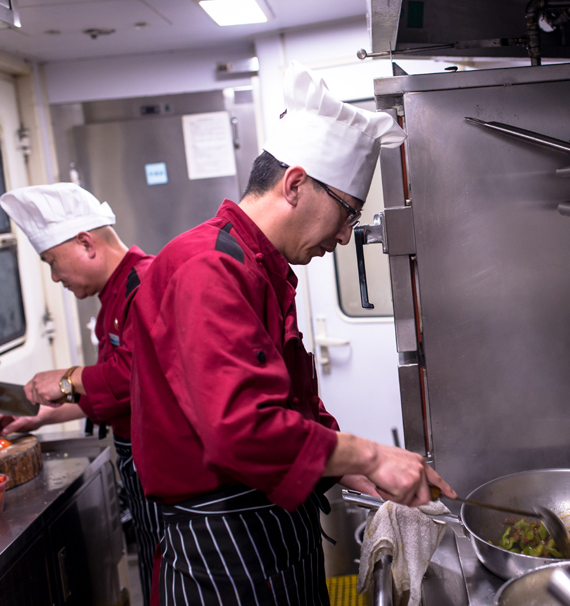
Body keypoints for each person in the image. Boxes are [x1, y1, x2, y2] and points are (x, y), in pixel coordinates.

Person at [130, 61, 455, 605]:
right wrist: (369, 456)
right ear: (296, 184)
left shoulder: (259, 266)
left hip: (263, 529)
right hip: (225, 547)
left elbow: (288, 400)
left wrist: (345, 471)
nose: (346, 237)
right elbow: (242, 428)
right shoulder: (208, 267)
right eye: (348, 213)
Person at [0, 183, 163, 604]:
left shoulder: (146, 283)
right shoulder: (113, 297)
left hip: (160, 464)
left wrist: (68, 378)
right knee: (155, 573)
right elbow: (111, 391)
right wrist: (40, 416)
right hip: (139, 464)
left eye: (53, 262)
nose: (55, 277)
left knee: (167, 577)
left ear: (87, 243)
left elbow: (140, 377)